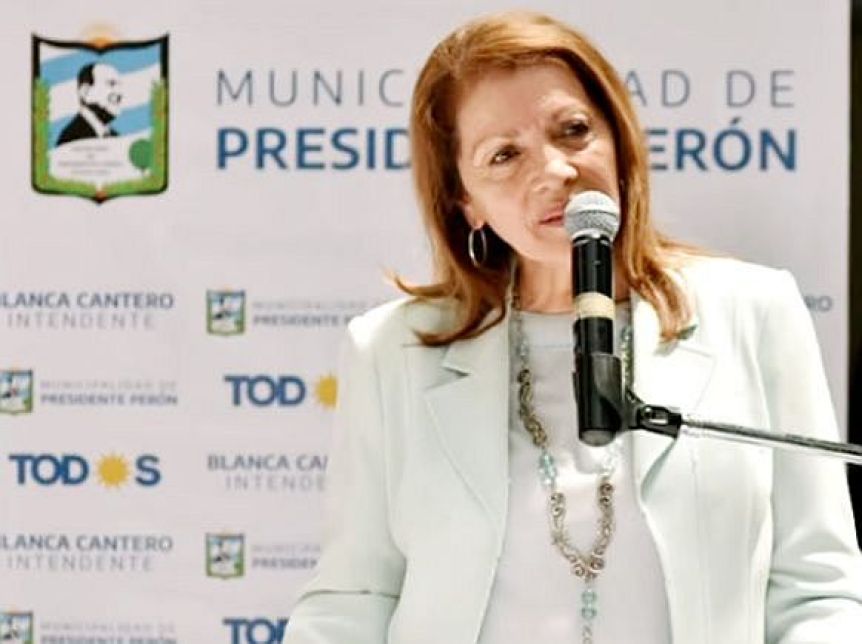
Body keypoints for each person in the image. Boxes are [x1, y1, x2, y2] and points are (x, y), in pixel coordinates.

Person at [283, 11, 862, 644]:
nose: (556, 171)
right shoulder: (391, 350)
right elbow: (353, 599)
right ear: (464, 200)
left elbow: (819, 589)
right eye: (504, 155)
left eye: (574, 130)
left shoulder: (755, 311)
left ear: (619, 142)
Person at [56, 62, 123, 146]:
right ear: (85, 92)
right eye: (111, 84)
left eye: (119, 86)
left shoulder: (116, 138)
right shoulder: (71, 139)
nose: (119, 93)